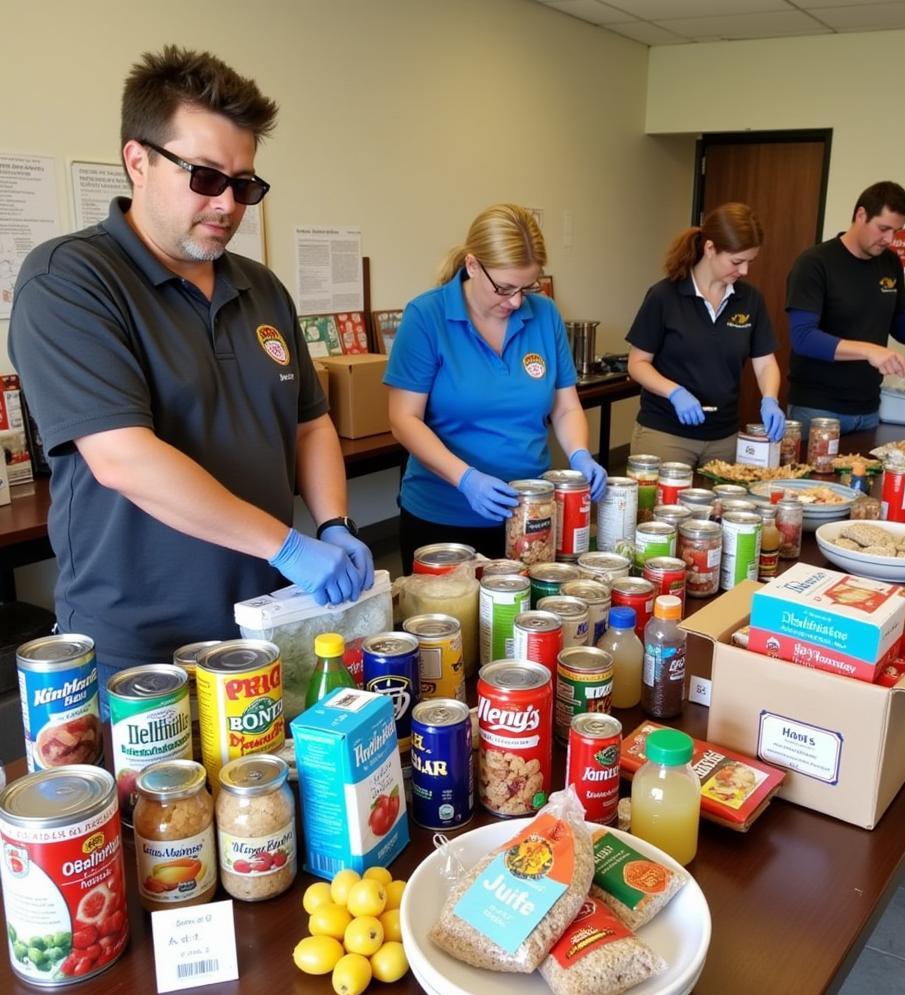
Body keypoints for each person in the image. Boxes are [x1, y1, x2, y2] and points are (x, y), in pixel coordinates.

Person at [9, 45, 374, 686]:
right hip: (140, 645)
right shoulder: (69, 280)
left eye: (245, 185)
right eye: (205, 177)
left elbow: (310, 423)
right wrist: (289, 545)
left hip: (267, 616)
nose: (228, 204)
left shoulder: (261, 288)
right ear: (138, 161)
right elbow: (124, 458)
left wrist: (334, 524)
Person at [385, 203, 607, 572]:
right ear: (472, 265)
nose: (517, 301)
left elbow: (565, 407)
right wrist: (465, 479)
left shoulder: (545, 314)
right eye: (504, 288)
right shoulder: (427, 317)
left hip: (529, 514)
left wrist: (580, 454)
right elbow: (404, 420)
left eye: (527, 287)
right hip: (444, 518)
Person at [786, 180, 905, 435]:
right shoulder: (815, 263)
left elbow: (903, 325)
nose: (890, 239)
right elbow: (803, 338)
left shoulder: (890, 263)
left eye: (897, 231)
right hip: (818, 409)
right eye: (883, 228)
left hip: (869, 409)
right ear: (861, 215)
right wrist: (870, 351)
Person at [626, 202, 784, 467]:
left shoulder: (750, 300)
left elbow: (765, 362)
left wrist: (770, 399)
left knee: (719, 510)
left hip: (724, 438)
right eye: (737, 261)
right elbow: (637, 364)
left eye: (750, 262)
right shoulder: (665, 296)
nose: (744, 271)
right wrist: (674, 392)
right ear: (710, 248)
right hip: (667, 434)